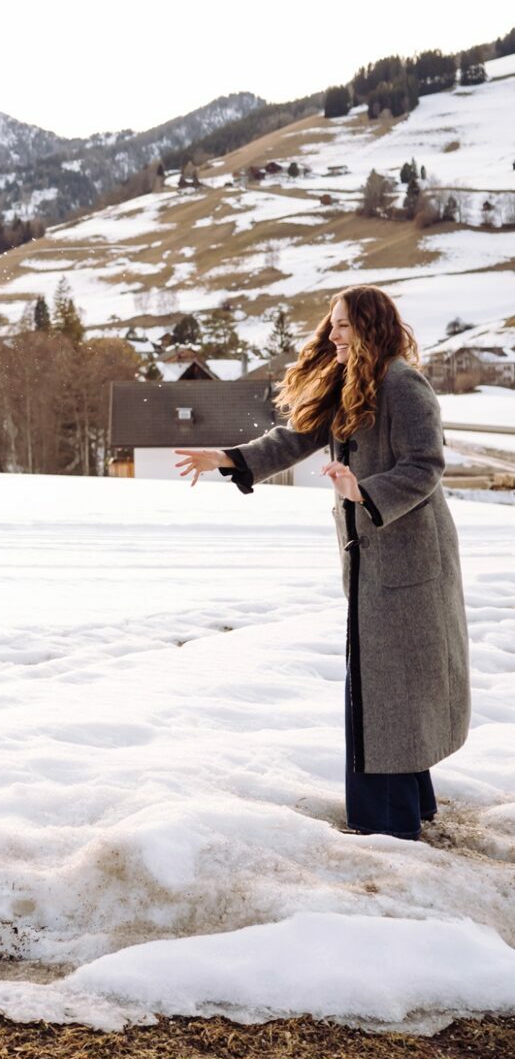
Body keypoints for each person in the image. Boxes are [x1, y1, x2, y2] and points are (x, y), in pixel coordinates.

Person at [174, 285, 470, 841]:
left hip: (410, 555)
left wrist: (365, 492)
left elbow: (425, 465)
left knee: (390, 681)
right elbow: (295, 438)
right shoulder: (348, 379)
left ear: (371, 327)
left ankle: (386, 824)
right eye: (331, 324)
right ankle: (408, 806)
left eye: (343, 325)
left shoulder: (404, 384)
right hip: (375, 555)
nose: (331, 334)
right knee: (387, 680)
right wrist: (229, 458)